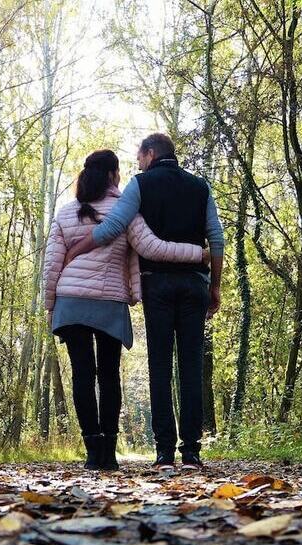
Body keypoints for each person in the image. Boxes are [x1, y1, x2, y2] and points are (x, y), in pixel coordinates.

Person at [64, 133, 224, 471]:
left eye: (139, 157)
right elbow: (217, 239)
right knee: (192, 366)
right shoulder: (200, 186)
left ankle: (165, 453)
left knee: (161, 367)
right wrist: (216, 287)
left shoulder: (141, 184)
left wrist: (75, 251)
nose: (137, 164)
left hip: (158, 285)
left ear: (150, 154)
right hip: (195, 282)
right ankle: (192, 453)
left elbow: (113, 227)